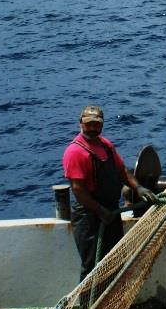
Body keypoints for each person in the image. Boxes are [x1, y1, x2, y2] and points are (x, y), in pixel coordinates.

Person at [62, 105, 152, 282]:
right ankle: (90, 308)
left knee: (115, 260)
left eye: (97, 124)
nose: (93, 128)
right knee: (92, 266)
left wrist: (138, 188)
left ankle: (113, 306)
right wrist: (99, 211)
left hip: (111, 211)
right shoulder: (75, 152)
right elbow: (78, 190)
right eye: (89, 124)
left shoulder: (106, 145)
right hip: (89, 217)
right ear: (81, 123)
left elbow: (122, 171)